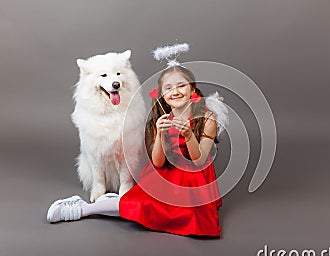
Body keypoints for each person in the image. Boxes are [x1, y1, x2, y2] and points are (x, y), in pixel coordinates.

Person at [47, 65, 223, 237]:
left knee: (188, 217)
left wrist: (188, 134)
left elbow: (198, 161)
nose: (175, 91)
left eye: (181, 85)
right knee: (142, 207)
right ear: (162, 94)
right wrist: (162, 135)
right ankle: (82, 209)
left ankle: (108, 203)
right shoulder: (161, 119)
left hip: (194, 177)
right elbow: (158, 162)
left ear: (192, 89)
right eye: (168, 88)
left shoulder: (207, 118)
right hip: (167, 173)